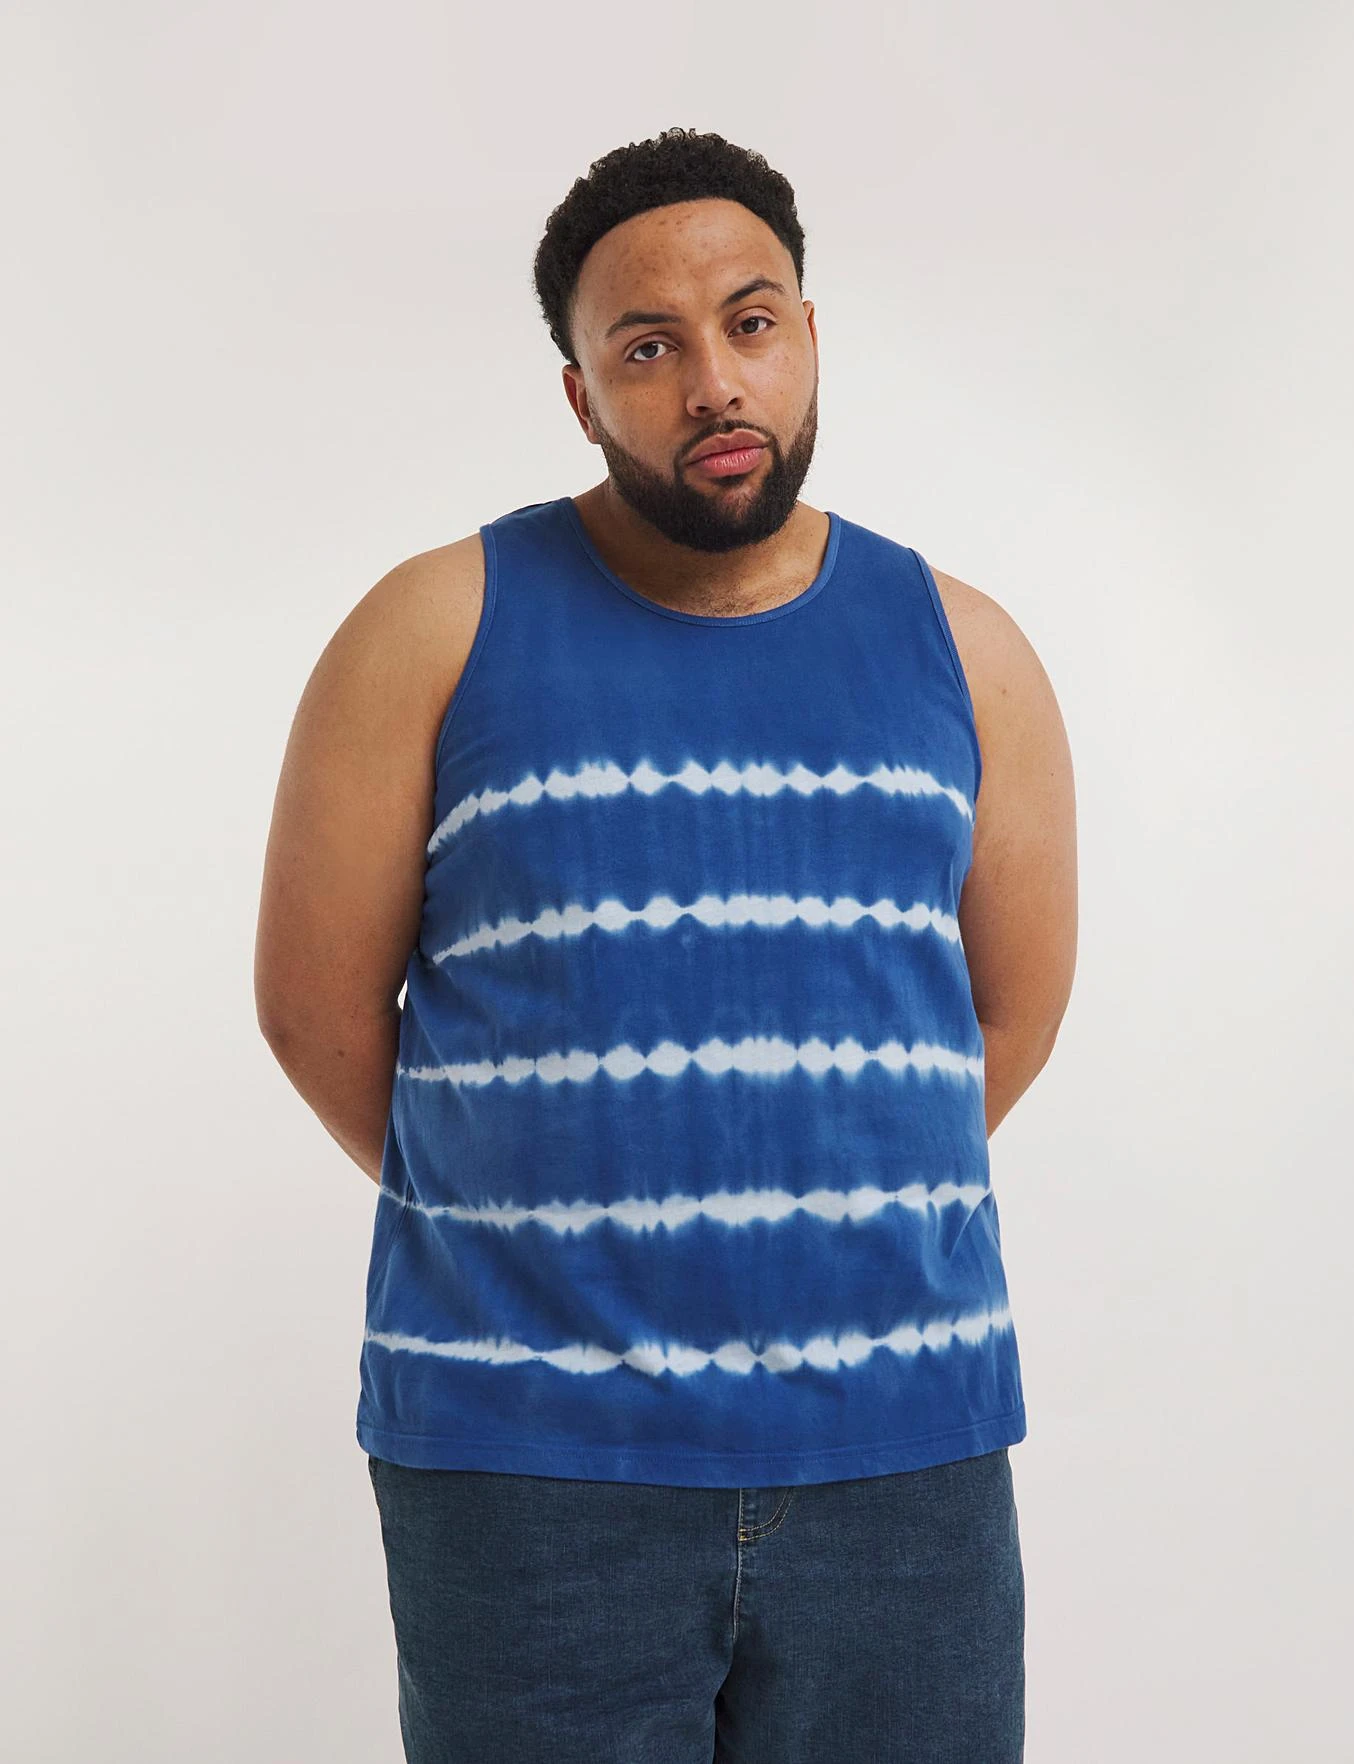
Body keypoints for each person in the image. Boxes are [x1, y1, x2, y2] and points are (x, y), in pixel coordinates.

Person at [255, 125, 1077, 1764]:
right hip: (528, 1470)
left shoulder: (965, 648)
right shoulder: (433, 627)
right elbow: (314, 1010)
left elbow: (1006, 1015)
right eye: (649, 348)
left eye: (750, 323)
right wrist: (537, 1211)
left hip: (901, 1459)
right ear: (581, 395)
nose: (714, 381)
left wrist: (815, 1183)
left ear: (809, 334)